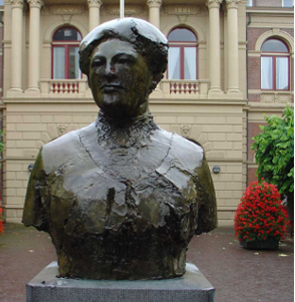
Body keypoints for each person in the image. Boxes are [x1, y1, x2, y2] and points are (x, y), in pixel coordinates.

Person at [22, 17, 217, 280]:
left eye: (123, 61)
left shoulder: (191, 158)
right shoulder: (53, 157)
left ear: (154, 75)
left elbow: (205, 221)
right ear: (89, 78)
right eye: (98, 64)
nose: (108, 71)